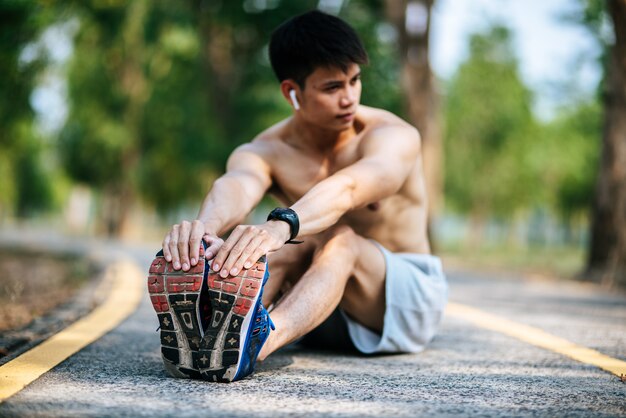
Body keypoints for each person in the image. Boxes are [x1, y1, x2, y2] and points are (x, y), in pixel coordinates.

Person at [147, 10, 448, 383]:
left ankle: (253, 347)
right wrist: (203, 230)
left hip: (404, 305)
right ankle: (212, 338)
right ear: (292, 92)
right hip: (316, 308)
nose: (349, 98)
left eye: (355, 81)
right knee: (257, 242)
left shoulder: (392, 135)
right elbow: (237, 183)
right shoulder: (267, 149)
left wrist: (281, 225)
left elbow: (348, 188)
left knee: (338, 238)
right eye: (332, 87)